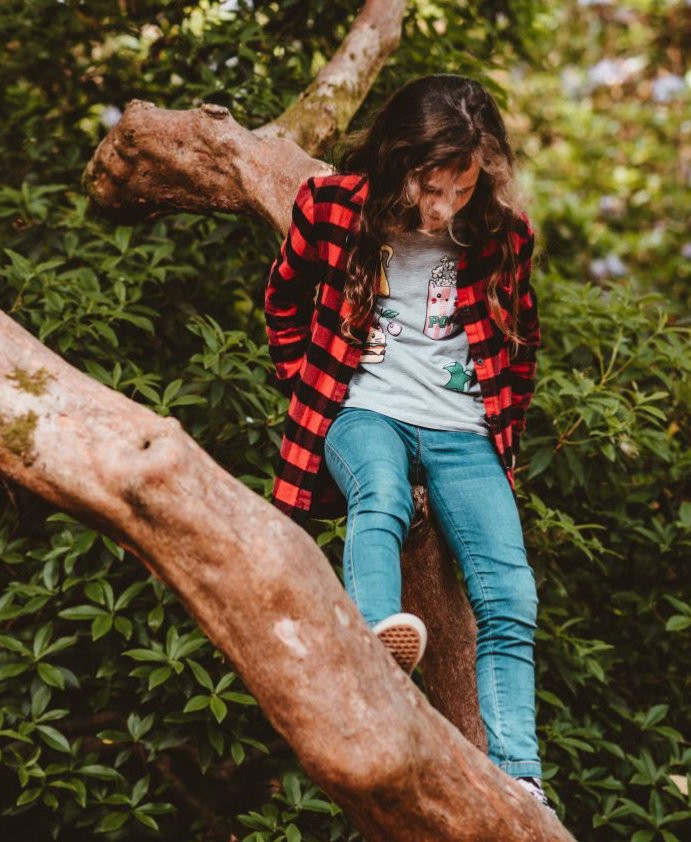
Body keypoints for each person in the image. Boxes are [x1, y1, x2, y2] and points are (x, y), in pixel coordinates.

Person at [263, 74, 545, 805]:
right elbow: (282, 296)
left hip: (462, 432)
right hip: (365, 411)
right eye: (430, 187)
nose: (443, 205)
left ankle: (520, 778)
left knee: (511, 598)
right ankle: (375, 652)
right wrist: (307, 382)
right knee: (380, 497)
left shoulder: (502, 235)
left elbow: (521, 342)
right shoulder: (331, 209)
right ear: (398, 159)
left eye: (460, 188)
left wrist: (497, 421)